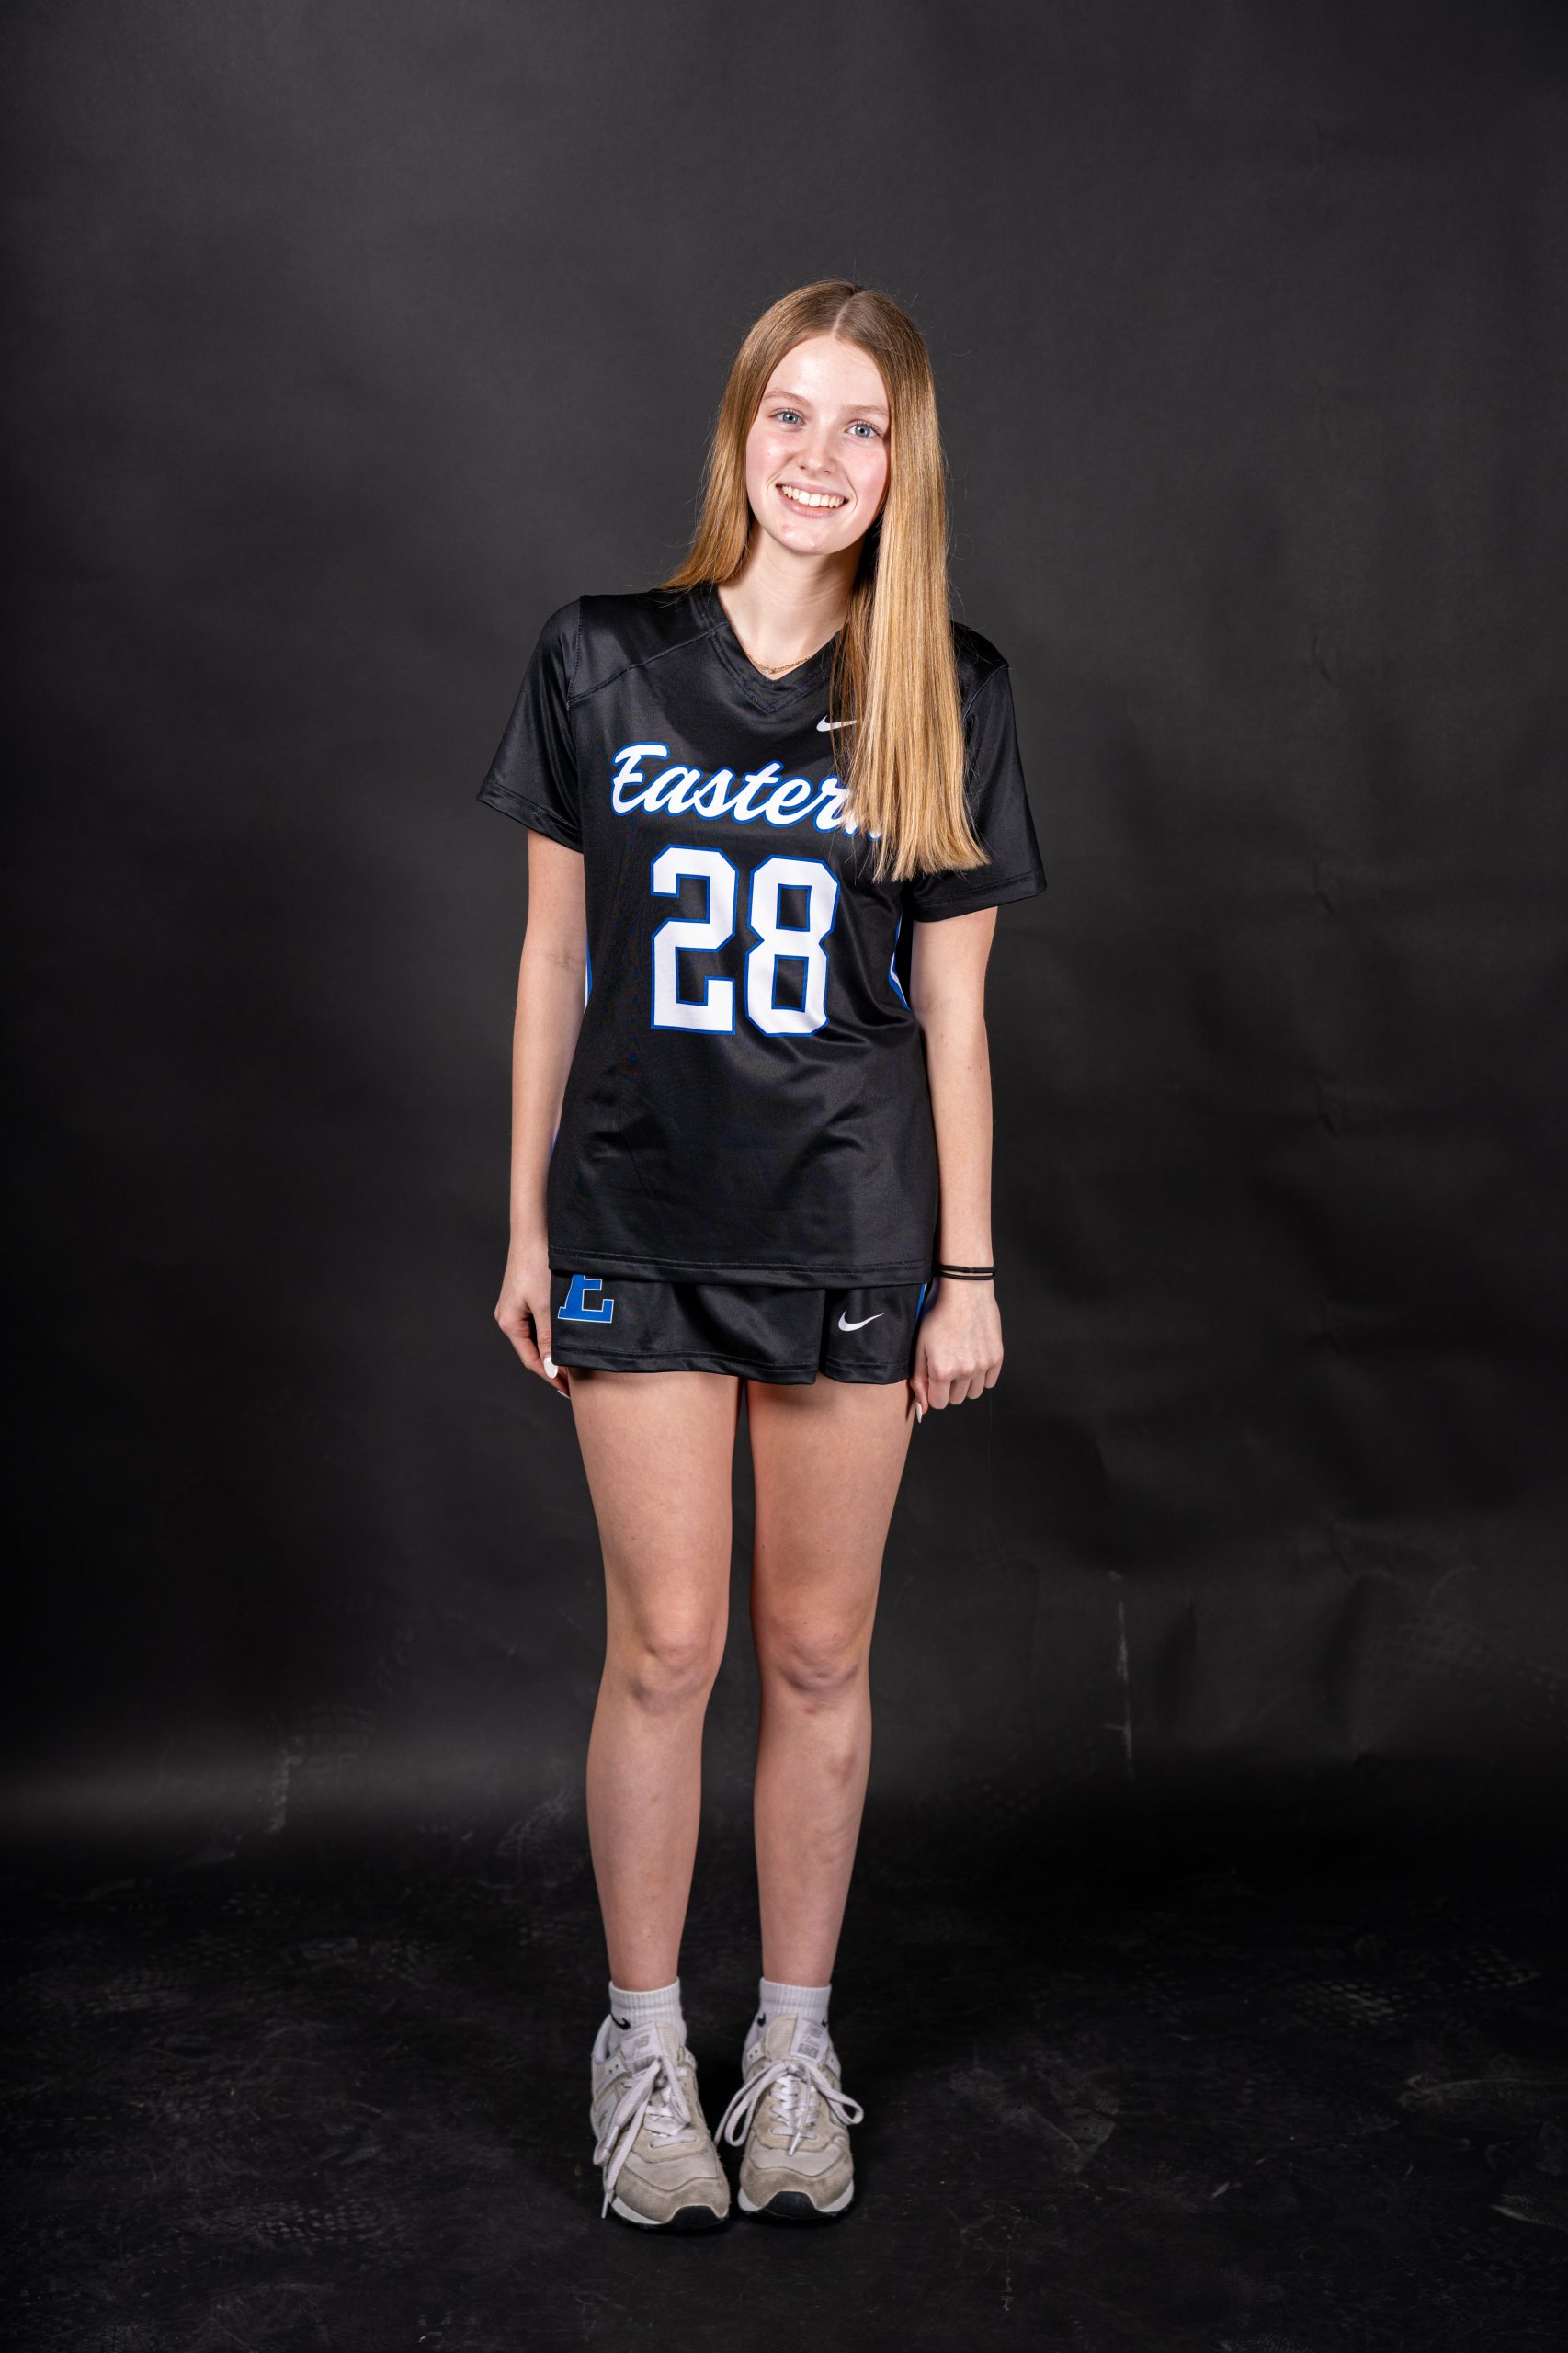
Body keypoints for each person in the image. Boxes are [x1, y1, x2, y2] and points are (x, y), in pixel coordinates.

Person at [476, 278, 1046, 2230]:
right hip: (637, 1212)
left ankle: (791, 2049)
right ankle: (643, 2047)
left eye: (861, 426)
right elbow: (553, 958)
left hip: (849, 1224)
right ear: (739, 431)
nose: (820, 456)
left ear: (905, 463)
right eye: (789, 414)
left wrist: (968, 1270)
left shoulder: (945, 685)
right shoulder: (599, 656)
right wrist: (526, 1218)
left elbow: (954, 1012)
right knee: (669, 1647)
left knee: (816, 1651)